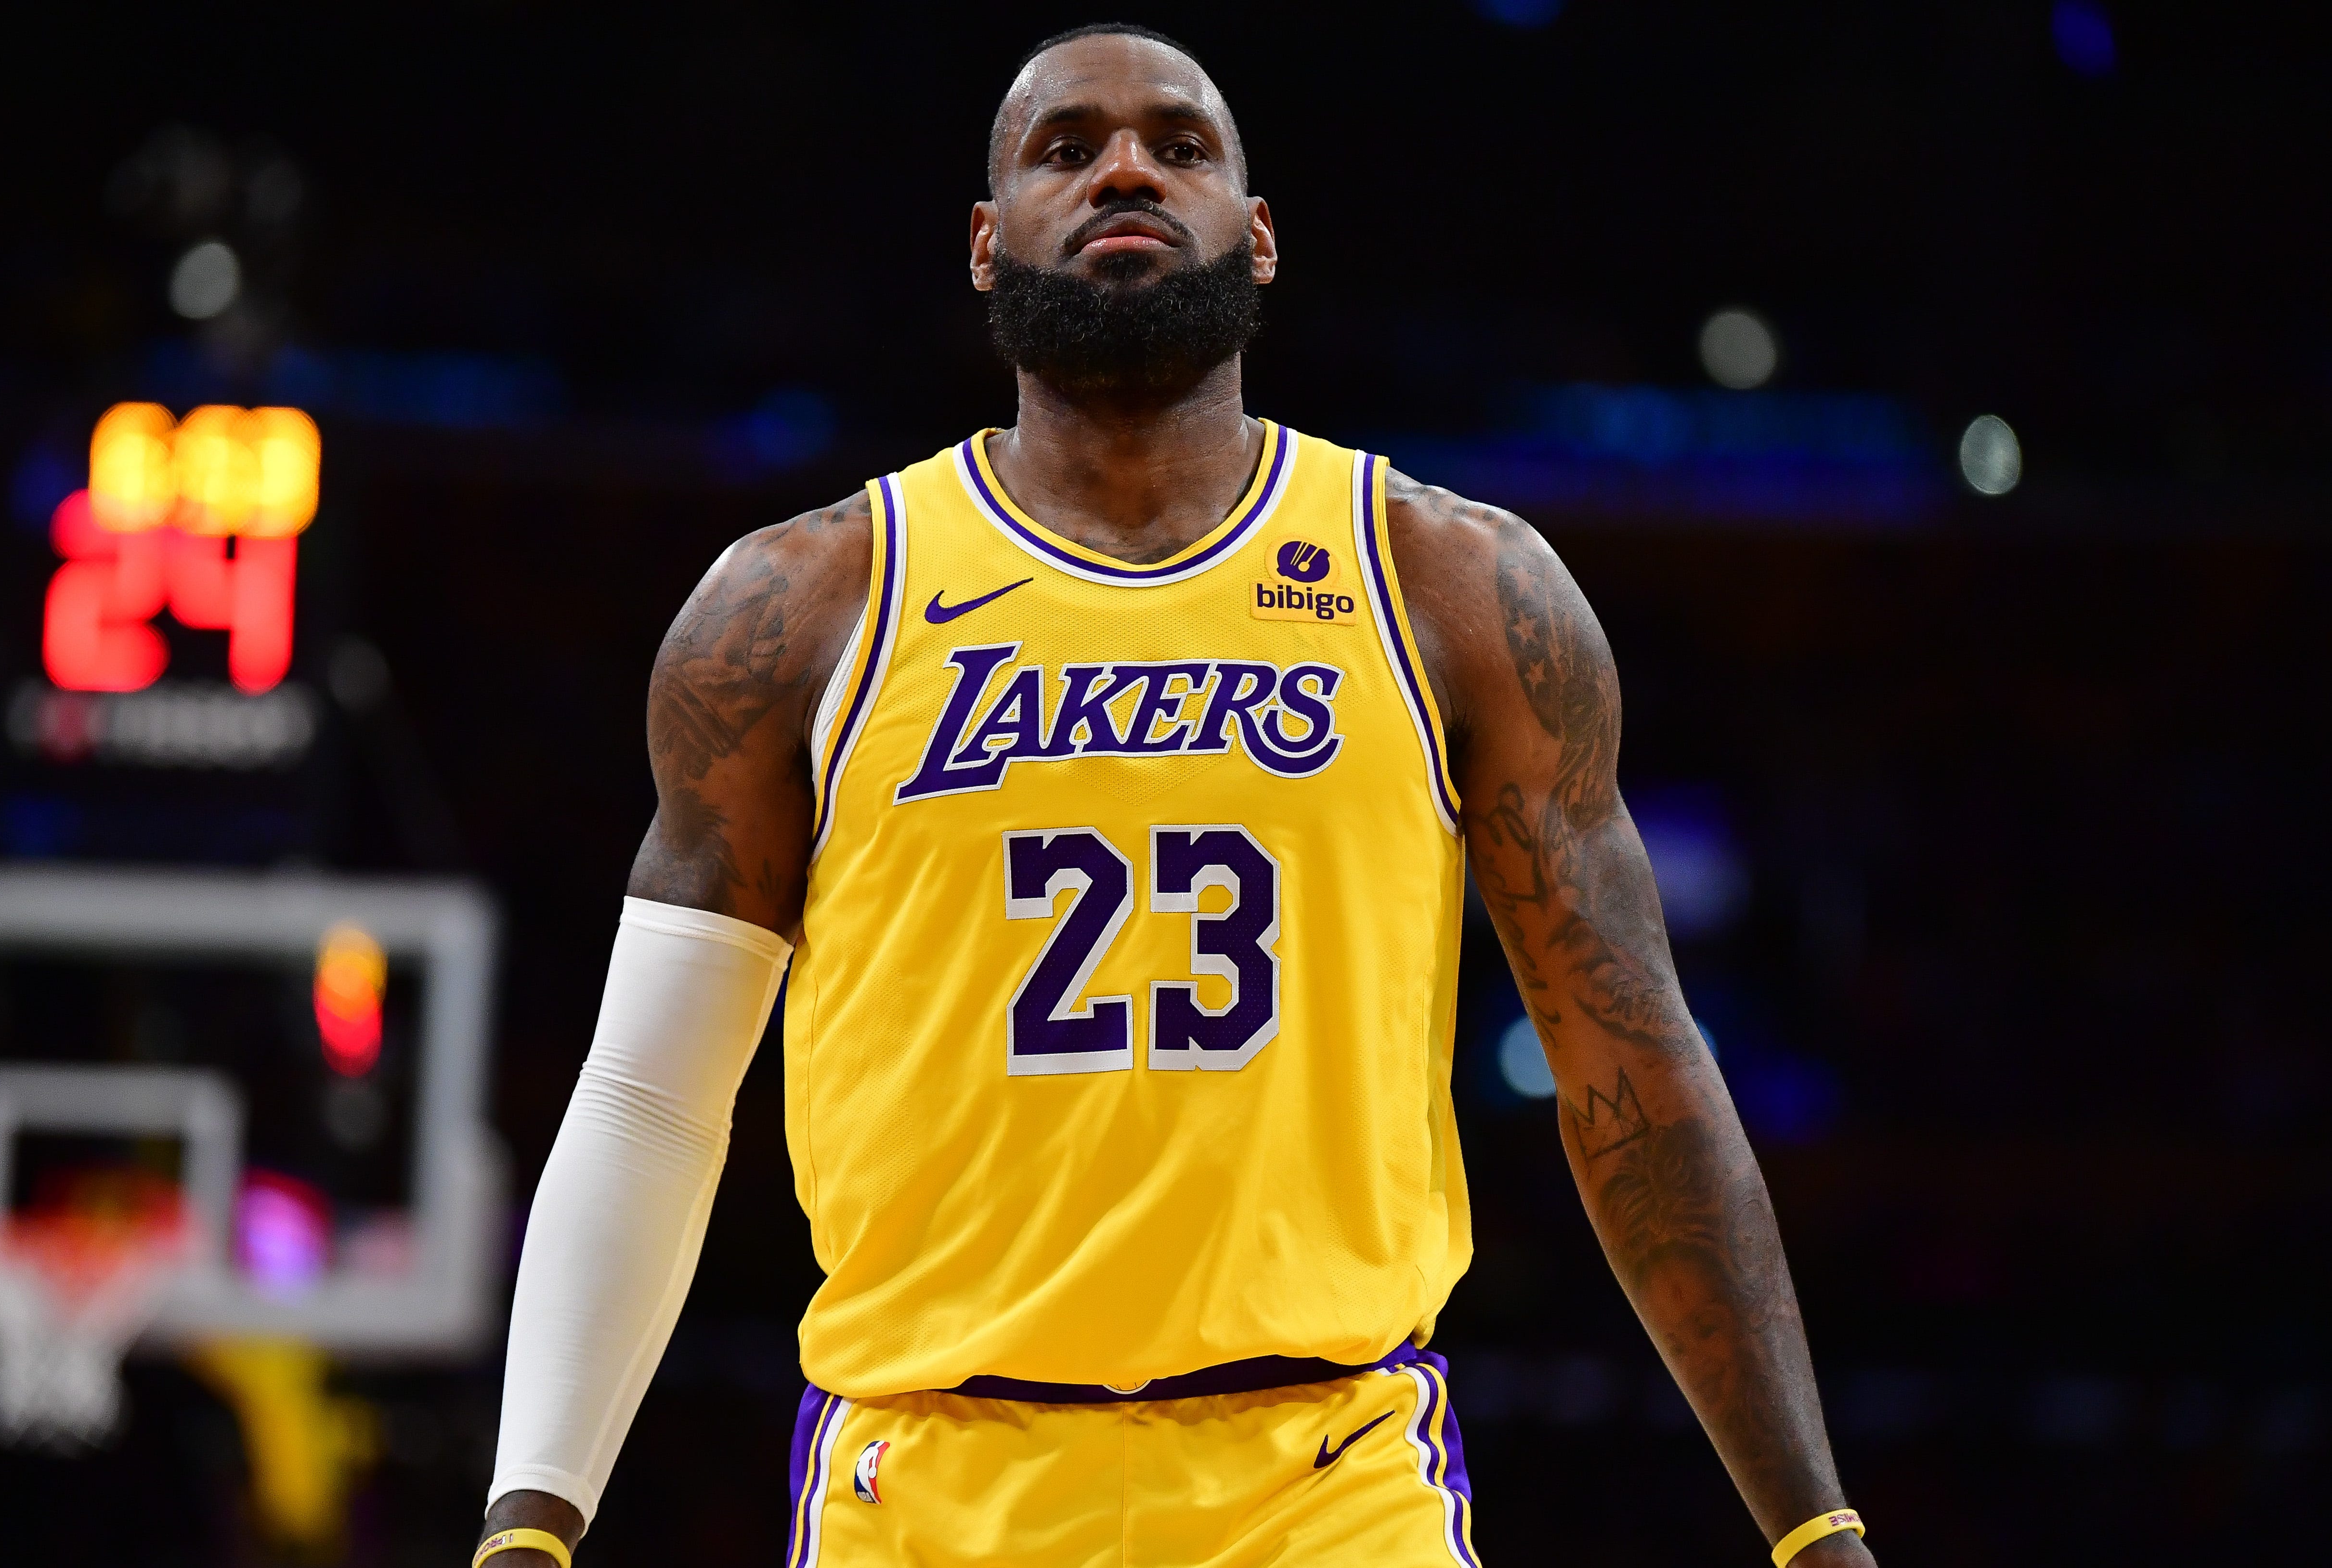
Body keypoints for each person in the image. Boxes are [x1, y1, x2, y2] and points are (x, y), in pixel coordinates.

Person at [474, 24, 1875, 1568]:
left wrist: (1813, 1529)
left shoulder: (1449, 587)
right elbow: (650, 1104)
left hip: (1329, 1477)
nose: (1125, 166)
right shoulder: (800, 610)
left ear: (1257, 240)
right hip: (925, 1480)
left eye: (1179, 145)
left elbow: (1636, 1077)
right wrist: (533, 1520)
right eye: (1064, 148)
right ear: (985, 242)